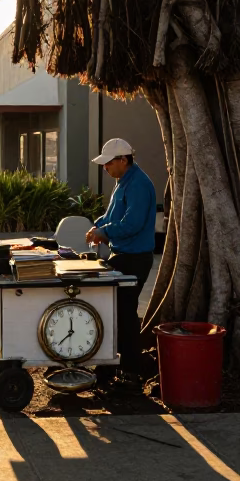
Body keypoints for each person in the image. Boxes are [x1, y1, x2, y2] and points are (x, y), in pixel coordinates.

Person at [85, 138, 156, 381]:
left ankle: (130, 371)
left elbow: (132, 224)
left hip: (134, 258)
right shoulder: (123, 181)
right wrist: (98, 226)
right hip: (124, 255)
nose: (105, 168)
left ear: (123, 160)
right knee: (115, 311)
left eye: (108, 163)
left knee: (124, 313)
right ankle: (111, 365)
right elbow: (111, 214)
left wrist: (105, 232)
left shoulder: (137, 184)